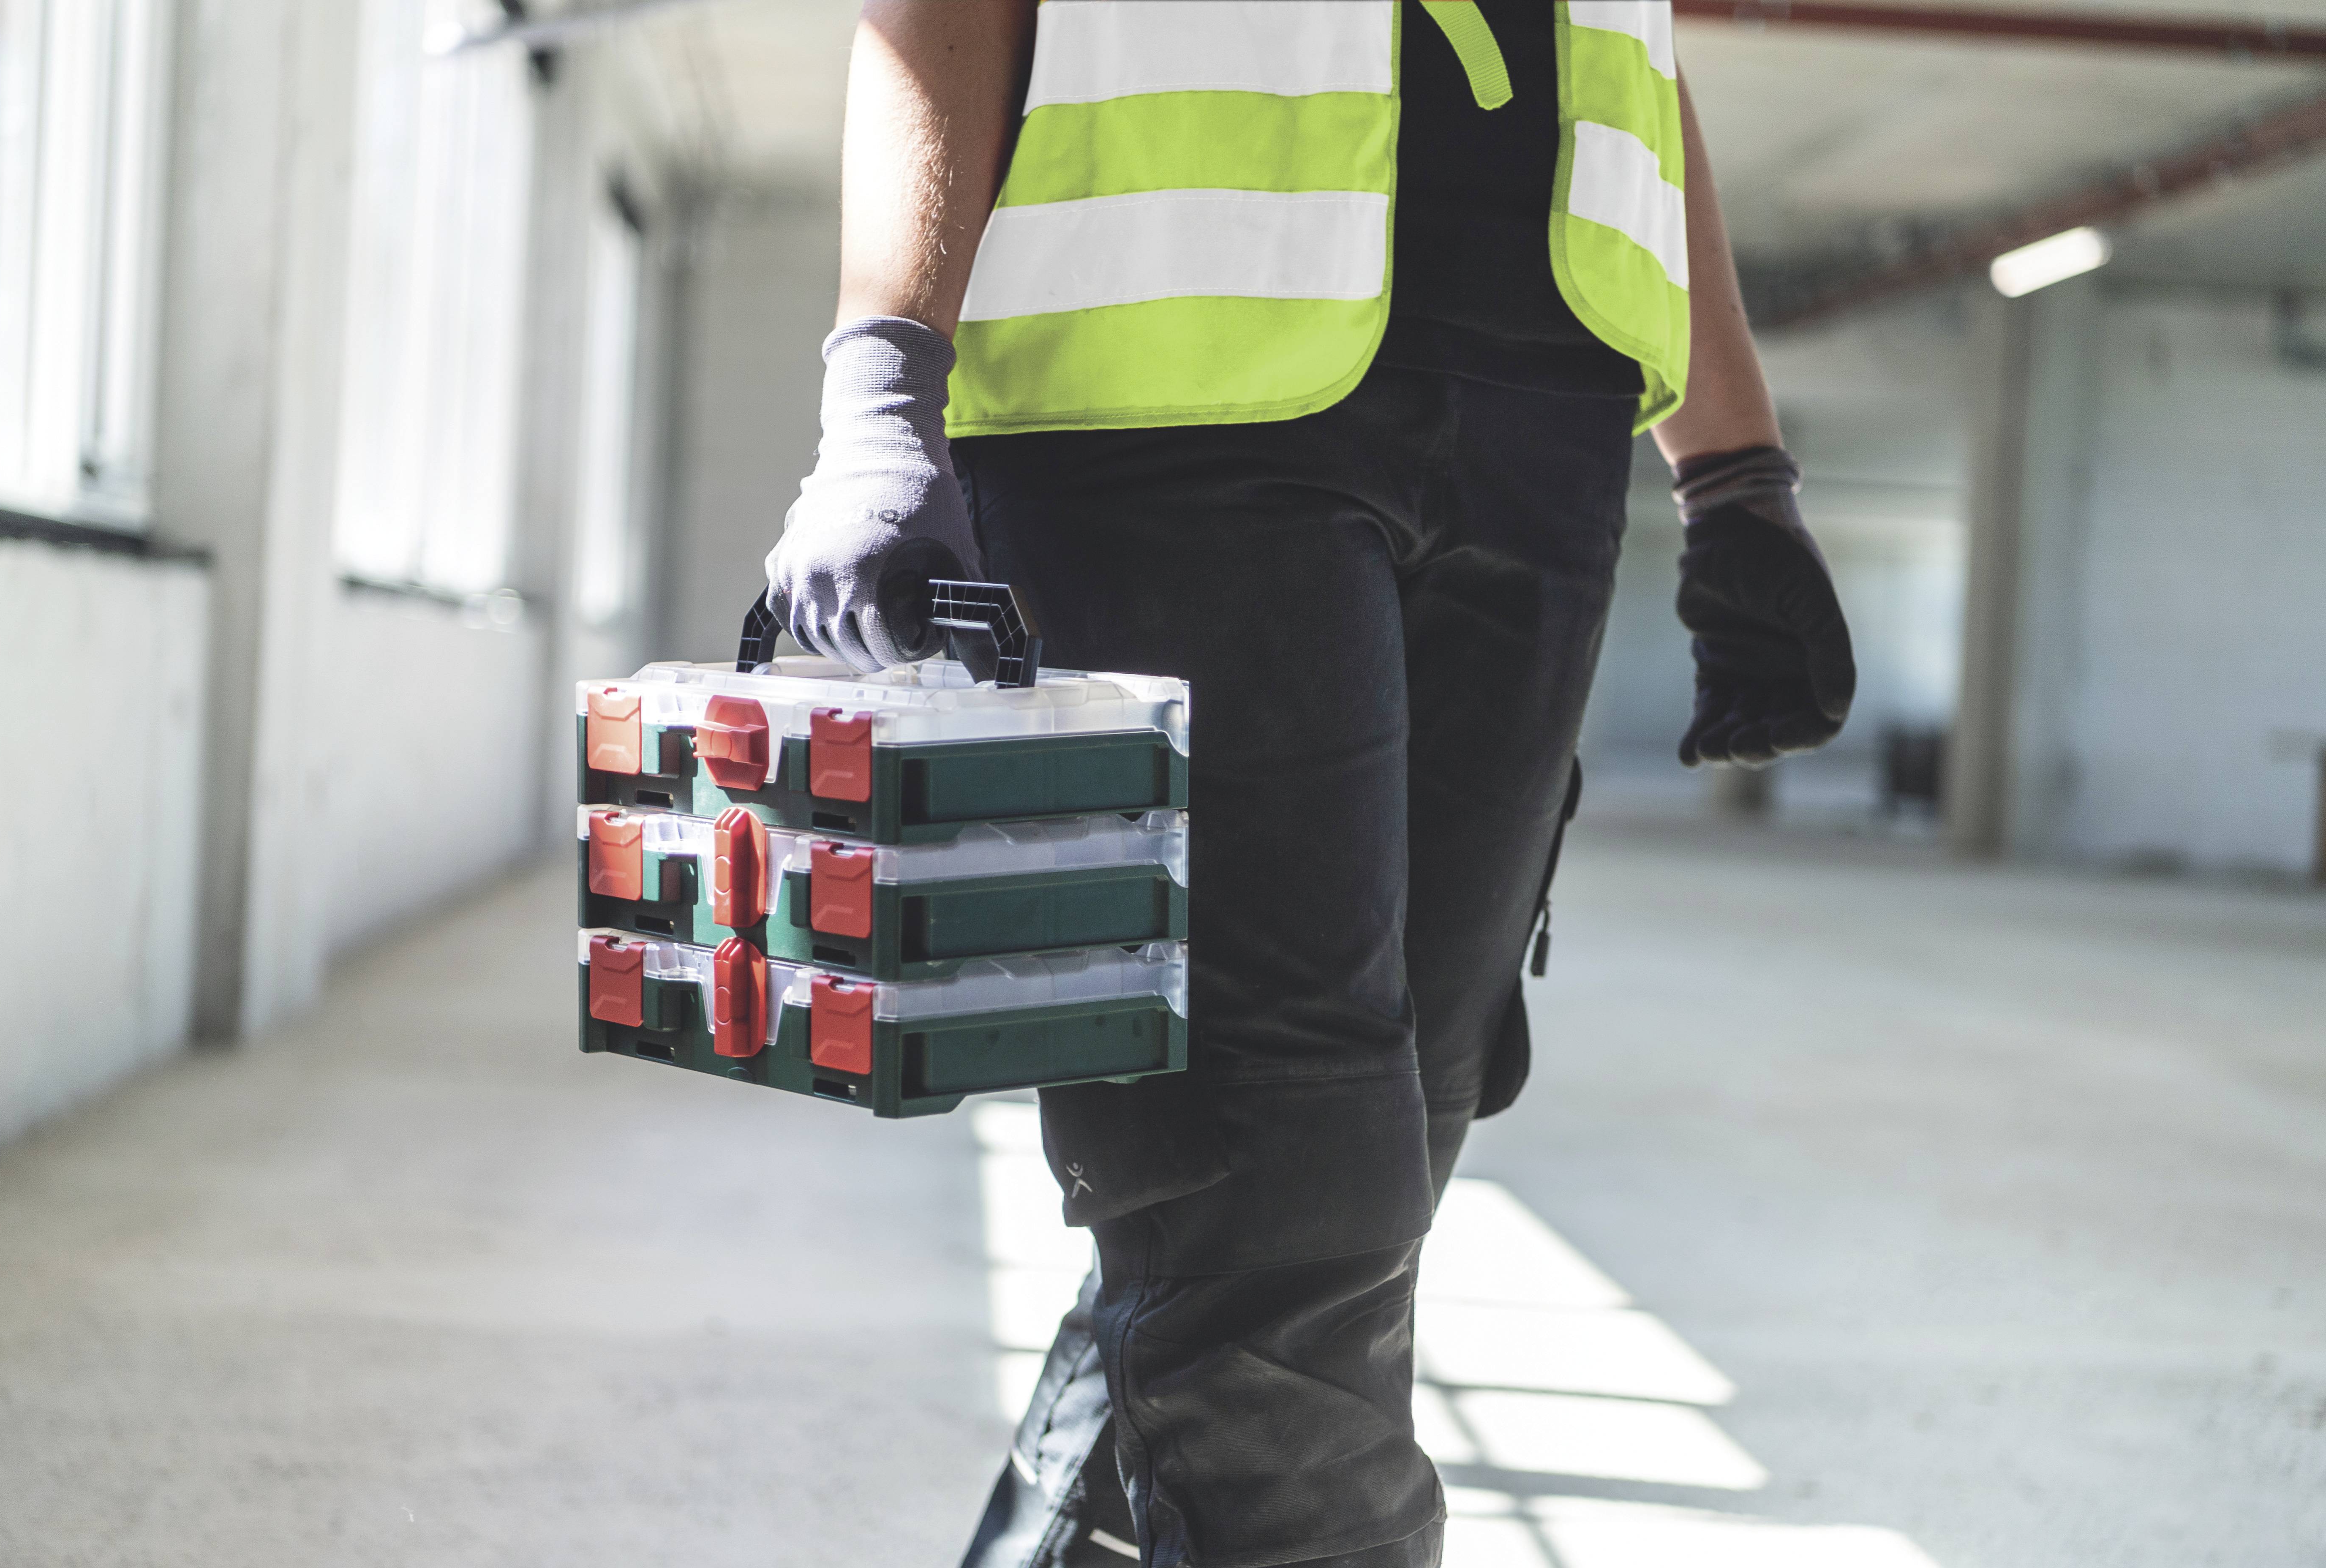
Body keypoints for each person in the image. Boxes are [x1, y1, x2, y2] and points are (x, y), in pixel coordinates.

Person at [764, 4, 1857, 1565]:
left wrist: (1734, 467)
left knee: (1371, 1162)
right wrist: (878, 389)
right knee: (1277, 1201)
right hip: (1170, 398)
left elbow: (1635, 56)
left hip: (1544, 419)